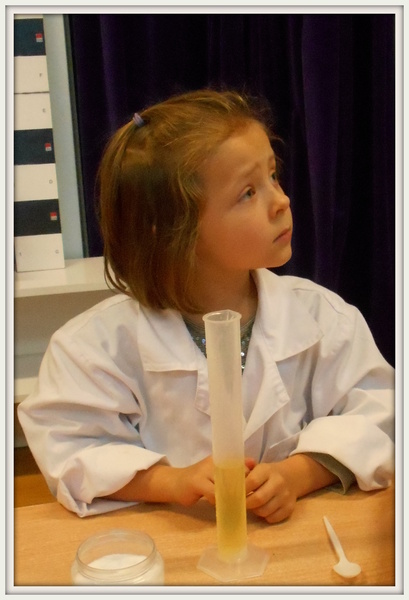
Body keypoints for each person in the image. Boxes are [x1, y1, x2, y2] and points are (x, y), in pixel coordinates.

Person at [18, 89, 394, 521]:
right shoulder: (92, 349)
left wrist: (298, 474)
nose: (282, 201)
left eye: (273, 176)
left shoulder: (324, 318)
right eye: (248, 192)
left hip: (296, 539)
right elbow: (69, 449)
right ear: (172, 230)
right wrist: (170, 481)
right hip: (170, 543)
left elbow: (380, 414)